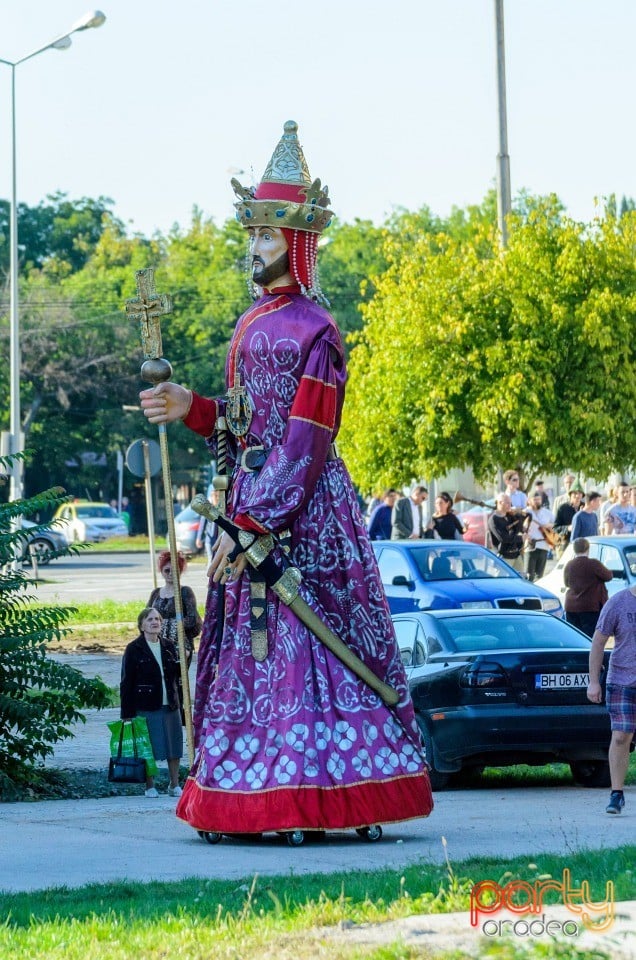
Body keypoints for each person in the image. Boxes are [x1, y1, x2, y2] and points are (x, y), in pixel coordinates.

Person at [139, 121, 433, 836]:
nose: (256, 248)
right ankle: (247, 792)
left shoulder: (316, 330)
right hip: (249, 512)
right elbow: (243, 426)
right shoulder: (248, 324)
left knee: (316, 646)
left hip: (304, 515)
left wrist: (256, 520)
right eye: (253, 235)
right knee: (249, 651)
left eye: (269, 237)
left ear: (297, 244)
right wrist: (191, 409)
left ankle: (328, 795)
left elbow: (306, 439)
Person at [120, 607, 184, 798]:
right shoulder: (134, 648)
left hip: (170, 703)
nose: (154, 622)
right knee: (148, 746)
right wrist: (127, 714)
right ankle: (150, 786)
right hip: (146, 704)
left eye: (157, 619)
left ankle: (174, 784)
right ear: (141, 625)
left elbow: (176, 677)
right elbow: (126, 682)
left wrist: (184, 660)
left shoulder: (169, 645)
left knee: (174, 745)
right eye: (150, 619)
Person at [587, 586, 636, 815]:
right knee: (620, 736)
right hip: (622, 680)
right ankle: (616, 794)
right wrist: (593, 681)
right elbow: (598, 642)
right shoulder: (618, 602)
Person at [148, 551, 201, 668]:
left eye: (175, 570)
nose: (171, 574)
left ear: (180, 571)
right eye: (167, 570)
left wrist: (171, 624)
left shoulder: (185, 592)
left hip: (180, 644)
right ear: (161, 571)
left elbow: (192, 619)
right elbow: (145, 618)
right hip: (156, 643)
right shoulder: (155, 593)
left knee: (176, 681)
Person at [563, 538, 613, 637]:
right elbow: (608, 576)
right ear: (588, 549)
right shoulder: (593, 564)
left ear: (574, 550)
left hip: (571, 606)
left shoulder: (569, 565)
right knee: (589, 638)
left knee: (575, 637)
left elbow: (566, 583)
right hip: (589, 607)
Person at [487, 492, 526, 573]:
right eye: (508, 503)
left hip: (516, 555)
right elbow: (503, 538)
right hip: (504, 557)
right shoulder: (494, 519)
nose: (510, 505)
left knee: (521, 581)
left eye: (510, 503)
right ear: (500, 503)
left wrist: (517, 515)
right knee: (502, 583)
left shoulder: (509, 516)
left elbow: (519, 529)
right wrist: (520, 538)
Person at [524, 491, 555, 582]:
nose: (537, 501)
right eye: (535, 499)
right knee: (528, 574)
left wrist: (549, 525)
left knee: (539, 575)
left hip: (544, 545)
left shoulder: (547, 513)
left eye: (539, 499)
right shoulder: (525, 512)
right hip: (530, 545)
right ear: (529, 501)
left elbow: (556, 524)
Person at [553, 484, 584, 557]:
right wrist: (567, 528)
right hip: (566, 543)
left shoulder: (585, 507)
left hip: (583, 544)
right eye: (575, 493)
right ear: (570, 495)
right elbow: (555, 528)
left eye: (579, 493)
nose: (577, 496)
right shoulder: (563, 508)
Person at [195, 489, 221, 563]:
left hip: (219, 540)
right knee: (211, 559)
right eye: (214, 496)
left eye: (217, 496)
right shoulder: (207, 510)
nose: (216, 498)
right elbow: (202, 525)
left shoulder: (221, 510)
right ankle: (210, 574)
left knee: (218, 560)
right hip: (209, 540)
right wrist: (198, 538)